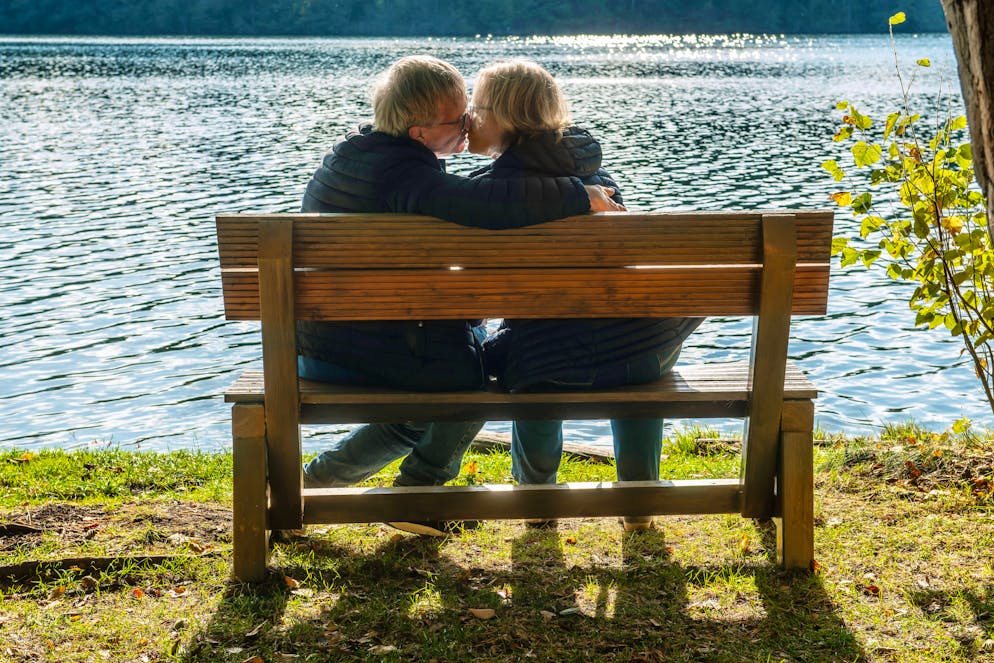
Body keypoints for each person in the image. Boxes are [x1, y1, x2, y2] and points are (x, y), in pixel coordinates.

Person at [298, 55, 623, 537]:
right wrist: (580, 195)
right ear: (419, 132)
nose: (469, 123)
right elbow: (485, 204)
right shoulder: (406, 177)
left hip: (319, 343)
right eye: (457, 118)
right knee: (473, 386)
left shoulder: (358, 155)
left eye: (471, 109)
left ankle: (309, 488)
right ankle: (414, 493)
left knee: (428, 401)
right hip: (362, 347)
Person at [467, 59, 703, 531]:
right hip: (644, 356)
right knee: (624, 341)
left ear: (502, 117)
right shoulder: (603, 181)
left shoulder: (485, 194)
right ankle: (638, 502)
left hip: (548, 367)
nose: (470, 116)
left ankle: (536, 500)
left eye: (476, 107)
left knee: (530, 353)